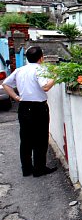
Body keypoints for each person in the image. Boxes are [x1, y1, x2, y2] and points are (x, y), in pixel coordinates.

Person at [2, 46, 57, 177]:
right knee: (40, 138)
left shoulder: (20, 70)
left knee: (26, 138)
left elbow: (5, 83)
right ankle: (39, 169)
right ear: (41, 58)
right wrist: (54, 77)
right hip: (38, 108)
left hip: (23, 106)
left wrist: (15, 97)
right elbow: (45, 87)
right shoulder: (40, 69)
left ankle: (26, 169)